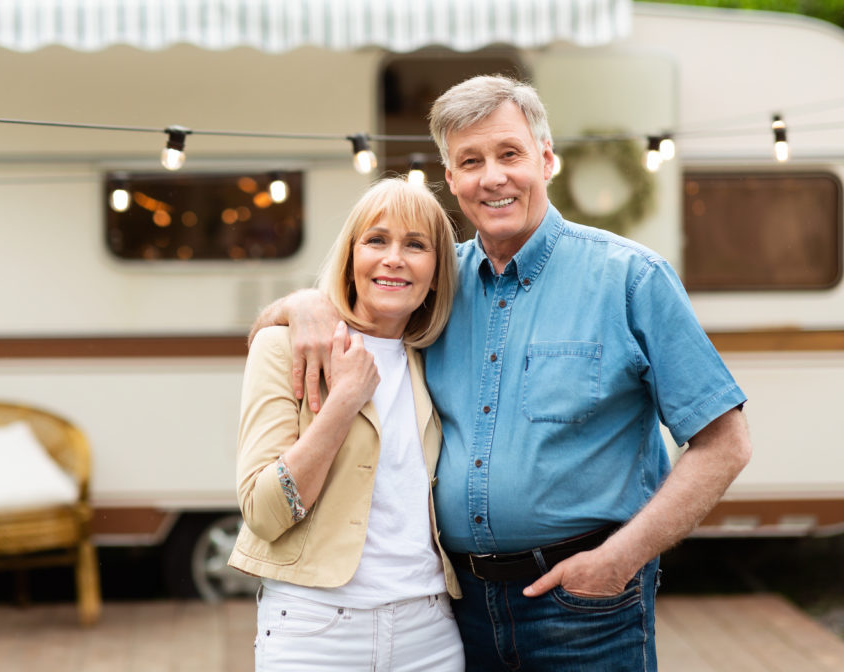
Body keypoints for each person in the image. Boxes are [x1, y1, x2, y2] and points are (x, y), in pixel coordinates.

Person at [249, 75, 752, 672]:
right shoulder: (436, 289)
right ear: (451, 178)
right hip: (458, 616)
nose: (493, 176)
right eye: (470, 161)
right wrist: (298, 306)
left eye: (509, 153)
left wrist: (619, 560)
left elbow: (726, 444)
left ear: (545, 158)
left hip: (587, 609)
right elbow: (362, 309)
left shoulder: (630, 279)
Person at [229, 177, 463, 671]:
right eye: (376, 240)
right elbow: (264, 513)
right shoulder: (285, 345)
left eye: (415, 245)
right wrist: (343, 402)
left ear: (438, 273)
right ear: (351, 258)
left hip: (430, 631)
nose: (394, 257)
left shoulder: (437, 358)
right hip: (315, 630)